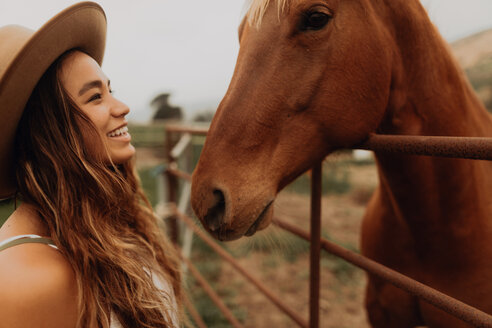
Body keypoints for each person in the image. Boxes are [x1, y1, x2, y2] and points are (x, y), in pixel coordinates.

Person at [0, 3, 182, 328]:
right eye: (95, 97)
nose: (122, 107)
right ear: (48, 130)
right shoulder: (24, 280)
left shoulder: (102, 221)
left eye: (110, 90)